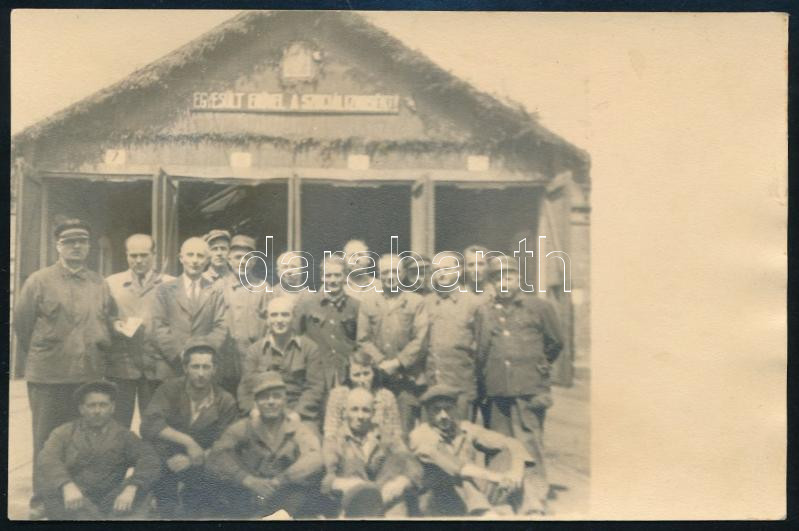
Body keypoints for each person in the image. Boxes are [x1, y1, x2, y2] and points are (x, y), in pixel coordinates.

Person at [13, 219, 117, 518]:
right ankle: (43, 501)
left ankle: (76, 498)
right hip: (49, 376)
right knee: (47, 440)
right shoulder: (39, 281)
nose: (76, 247)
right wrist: (47, 353)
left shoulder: (99, 283)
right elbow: (22, 324)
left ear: (88, 246)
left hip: (87, 376)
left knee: (83, 439)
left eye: (82, 241)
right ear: (58, 246)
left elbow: (109, 320)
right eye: (69, 242)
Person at [474, 255, 564, 511]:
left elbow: (555, 343)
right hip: (496, 388)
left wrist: (537, 366)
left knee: (529, 443)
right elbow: (481, 350)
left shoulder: (539, 307)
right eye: (497, 278)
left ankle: (533, 499)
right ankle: (503, 498)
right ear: (491, 283)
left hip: (529, 388)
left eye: (508, 277)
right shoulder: (484, 311)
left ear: (518, 278)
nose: (503, 283)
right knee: (499, 444)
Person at [409, 385, 545, 516]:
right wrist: (500, 477)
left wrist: (515, 473)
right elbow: (459, 468)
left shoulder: (464, 428)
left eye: (448, 409)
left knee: (510, 454)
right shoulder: (420, 435)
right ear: (427, 412)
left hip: (469, 495)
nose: (443, 415)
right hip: (438, 500)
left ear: (456, 409)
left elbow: (511, 442)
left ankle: (532, 511)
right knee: (462, 474)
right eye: (436, 410)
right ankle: (484, 512)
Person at [140, 339, 239, 518]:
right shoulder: (169, 389)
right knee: (166, 508)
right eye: (195, 367)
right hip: (169, 456)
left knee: (205, 508)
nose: (200, 373)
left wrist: (195, 458)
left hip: (202, 459)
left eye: (206, 367)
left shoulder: (225, 400)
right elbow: (149, 424)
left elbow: (227, 442)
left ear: (215, 369)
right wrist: (188, 442)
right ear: (185, 368)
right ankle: (160, 500)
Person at [207, 372, 324, 519]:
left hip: (286, 497)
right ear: (255, 401)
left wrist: (281, 479)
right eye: (264, 397)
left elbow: (315, 457)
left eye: (277, 396)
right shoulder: (244, 427)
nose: (271, 402)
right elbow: (216, 455)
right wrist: (246, 479)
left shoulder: (297, 428)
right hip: (248, 497)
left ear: (285, 400)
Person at [37, 381, 161, 520]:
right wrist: (66, 485)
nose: (97, 411)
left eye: (103, 405)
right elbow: (47, 459)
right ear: (81, 409)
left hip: (110, 498)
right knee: (52, 489)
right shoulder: (64, 432)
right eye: (91, 405)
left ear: (112, 407)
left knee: (142, 490)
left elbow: (149, 459)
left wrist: (132, 488)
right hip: (74, 497)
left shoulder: (124, 435)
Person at [105, 233, 175, 427]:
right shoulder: (111, 283)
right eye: (133, 255)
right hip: (122, 364)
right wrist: (114, 324)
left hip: (156, 365)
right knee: (118, 423)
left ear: (154, 255)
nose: (138, 260)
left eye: (144, 255)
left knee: (154, 424)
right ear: (126, 255)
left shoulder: (170, 283)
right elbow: (102, 316)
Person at [357, 253, 430, 436]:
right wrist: (381, 361)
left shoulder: (416, 302)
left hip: (407, 380)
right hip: (378, 379)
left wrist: (398, 362)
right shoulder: (368, 302)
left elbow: (421, 339)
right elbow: (363, 338)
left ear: (403, 273)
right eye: (385, 272)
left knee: (403, 432)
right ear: (379, 275)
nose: (390, 277)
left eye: (395, 272)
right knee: (376, 431)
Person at [322, 387, 422, 517]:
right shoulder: (335, 440)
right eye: (354, 409)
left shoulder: (386, 436)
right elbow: (327, 478)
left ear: (373, 413)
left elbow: (412, 465)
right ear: (345, 412)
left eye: (366, 410)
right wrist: (343, 484)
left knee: (398, 508)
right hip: (353, 502)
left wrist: (402, 482)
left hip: (387, 499)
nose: (360, 416)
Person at [238, 297, 326, 426]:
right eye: (274, 315)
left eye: (285, 315)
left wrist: (298, 413)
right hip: (264, 412)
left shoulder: (309, 348)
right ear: (267, 319)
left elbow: (315, 388)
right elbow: (245, 389)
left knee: (309, 436)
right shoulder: (255, 350)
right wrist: (253, 411)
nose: (279, 320)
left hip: (298, 413)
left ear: (293, 317)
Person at [151, 237, 227, 381]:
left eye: (200, 256)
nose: (195, 260)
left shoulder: (215, 291)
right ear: (181, 258)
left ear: (207, 260)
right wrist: (178, 353)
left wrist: (202, 353)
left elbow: (221, 327)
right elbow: (159, 325)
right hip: (171, 365)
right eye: (190, 255)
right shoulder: (164, 290)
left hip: (202, 366)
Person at [424, 252, 482, 422]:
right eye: (437, 270)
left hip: (460, 386)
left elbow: (483, 347)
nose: (441, 274)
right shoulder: (426, 302)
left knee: (461, 433)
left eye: (447, 269)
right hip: (432, 384)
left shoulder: (473, 303)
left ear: (459, 271)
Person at [215, 234, 271, 395]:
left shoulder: (263, 288)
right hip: (225, 362)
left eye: (247, 258)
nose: (242, 262)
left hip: (253, 360)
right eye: (237, 257)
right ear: (229, 260)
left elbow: (271, 326)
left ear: (254, 261)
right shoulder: (218, 287)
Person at [293, 255, 360, 390]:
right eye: (328, 275)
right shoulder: (306, 305)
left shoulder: (355, 306)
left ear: (345, 277)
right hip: (316, 375)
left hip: (346, 375)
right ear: (322, 277)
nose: (333, 280)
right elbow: (295, 338)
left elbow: (361, 341)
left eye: (337, 275)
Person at [323, 349, 402, 450]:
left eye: (366, 374)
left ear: (374, 373)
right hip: (346, 449)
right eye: (356, 375)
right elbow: (330, 431)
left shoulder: (386, 396)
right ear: (348, 376)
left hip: (379, 449)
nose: (362, 380)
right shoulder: (338, 395)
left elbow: (396, 433)